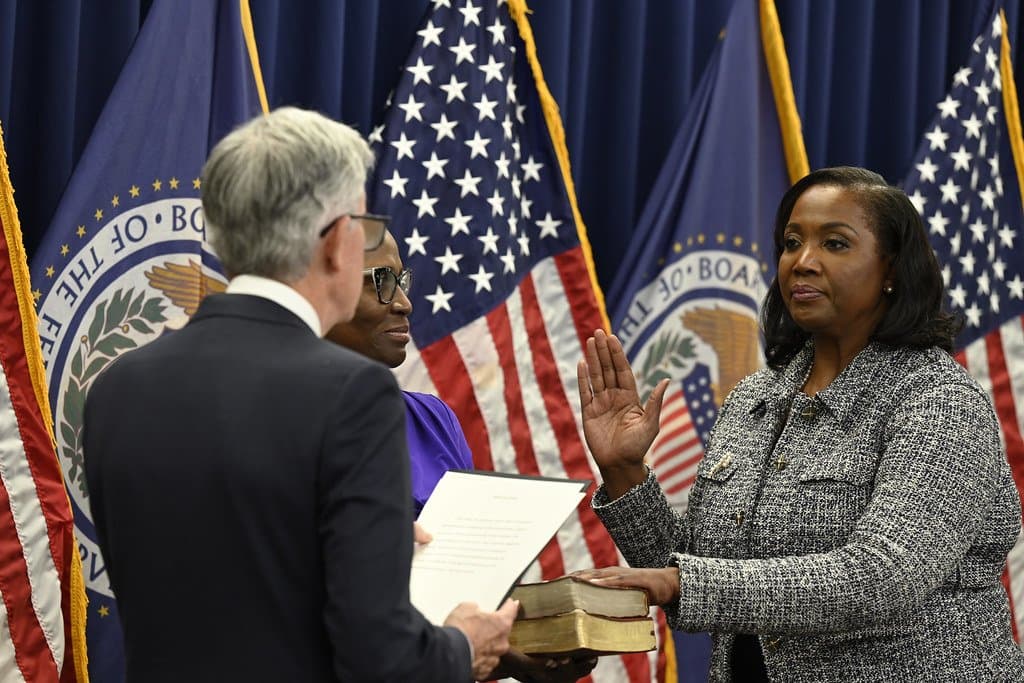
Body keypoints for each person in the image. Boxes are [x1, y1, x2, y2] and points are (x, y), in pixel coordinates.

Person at [82, 107, 517, 683]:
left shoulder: (118, 386)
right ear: (339, 243)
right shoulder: (352, 395)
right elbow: (384, 663)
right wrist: (463, 646)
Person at [573, 167, 1024, 681]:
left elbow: (886, 577)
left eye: (834, 243)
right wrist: (624, 468)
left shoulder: (939, 401)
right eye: (791, 243)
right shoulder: (754, 399)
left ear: (892, 269)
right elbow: (693, 567)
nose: (802, 263)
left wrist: (682, 583)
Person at [325, 231, 598, 682]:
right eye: (379, 282)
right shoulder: (287, 425)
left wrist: (507, 653)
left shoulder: (433, 420)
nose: (403, 304)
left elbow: (463, 592)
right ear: (322, 292)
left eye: (401, 281)